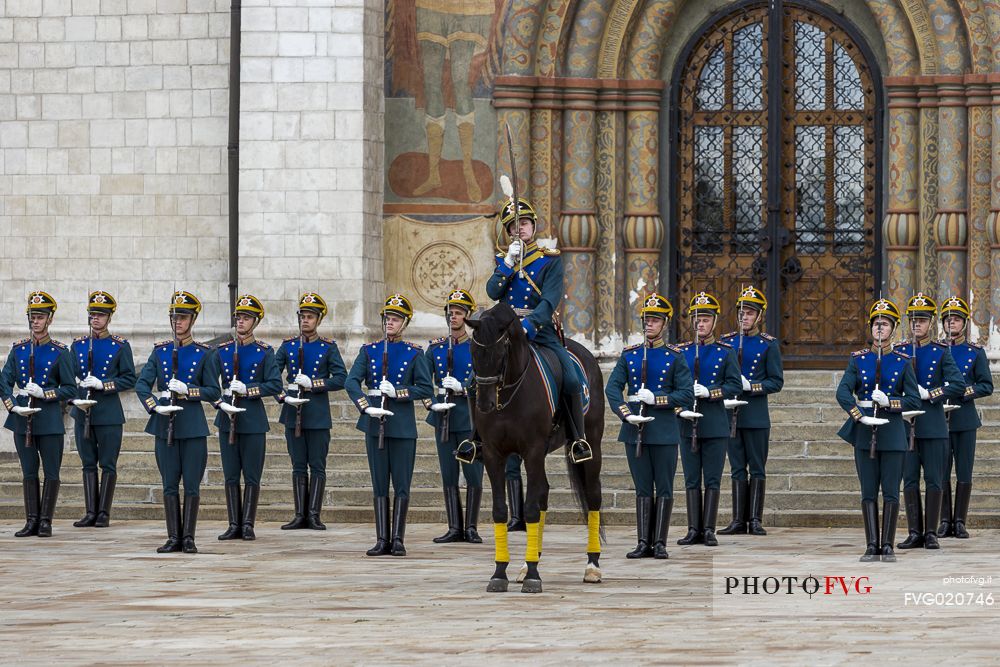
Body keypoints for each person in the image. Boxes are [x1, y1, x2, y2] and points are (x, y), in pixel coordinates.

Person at [484, 195, 591, 463]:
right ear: (508, 231)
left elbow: (549, 301)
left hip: (539, 331)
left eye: (524, 223)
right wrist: (508, 264)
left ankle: (578, 438)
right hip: (506, 332)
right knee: (479, 375)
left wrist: (529, 326)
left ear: (533, 226)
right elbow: (492, 291)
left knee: (571, 378)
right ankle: (476, 437)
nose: (519, 228)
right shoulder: (502, 260)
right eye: (513, 225)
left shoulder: (549, 260)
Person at [605, 293, 693, 559]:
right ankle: (643, 541)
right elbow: (612, 388)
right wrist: (625, 414)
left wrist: (658, 399)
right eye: (646, 320)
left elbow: (686, 393)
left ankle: (660, 542)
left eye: (654, 320)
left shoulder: (675, 357)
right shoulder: (630, 355)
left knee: (663, 486)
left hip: (664, 429)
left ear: (665, 323)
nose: (649, 325)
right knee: (643, 487)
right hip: (635, 429)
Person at [345, 294, 434, 557]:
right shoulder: (369, 350)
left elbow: (425, 387)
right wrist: (365, 406)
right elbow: (352, 382)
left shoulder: (414, 353)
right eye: (387, 319)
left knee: (402, 484)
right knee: (379, 483)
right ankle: (382, 538)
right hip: (375, 423)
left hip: (402, 425)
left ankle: (398, 538)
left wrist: (399, 392)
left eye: (395, 319)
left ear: (405, 323)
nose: (390, 323)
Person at [135, 290, 220, 554]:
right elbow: (141, 385)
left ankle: (189, 537)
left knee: (191, 485)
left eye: (183, 318)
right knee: (169, 484)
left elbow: (213, 392)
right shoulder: (160, 352)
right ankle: (173, 536)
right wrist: (154, 407)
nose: (177, 323)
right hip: (165, 426)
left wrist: (188, 390)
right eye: (174, 317)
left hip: (192, 426)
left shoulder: (205, 353)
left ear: (193, 320)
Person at [836, 297, 920, 561]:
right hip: (864, 431)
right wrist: (858, 415)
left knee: (892, 492)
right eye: (876, 324)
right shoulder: (859, 359)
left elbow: (914, 400)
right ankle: (872, 545)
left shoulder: (903, 360)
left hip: (893, 431)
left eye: (885, 324)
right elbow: (843, 392)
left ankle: (888, 546)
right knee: (868, 490)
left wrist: (891, 402)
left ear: (893, 328)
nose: (879, 328)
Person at [893, 293, 965, 550]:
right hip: (906, 426)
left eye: (922, 320)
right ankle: (914, 532)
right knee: (909, 479)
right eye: (913, 319)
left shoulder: (941, 352)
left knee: (934, 478)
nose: (917, 324)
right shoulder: (899, 351)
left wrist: (932, 393)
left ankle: (932, 532)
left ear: (931, 322)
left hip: (933, 425)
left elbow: (957, 383)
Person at [1, 291, 76, 538]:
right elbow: (4, 381)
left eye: (41, 317)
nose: (36, 321)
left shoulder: (60, 352)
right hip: (23, 418)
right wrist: (13, 405)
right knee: (29, 471)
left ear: (50, 319)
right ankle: (31, 520)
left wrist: (46, 393)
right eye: (33, 316)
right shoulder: (19, 350)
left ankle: (46, 520)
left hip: (49, 419)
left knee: (52, 471)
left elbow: (69, 388)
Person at [274, 292, 347, 530]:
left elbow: (340, 378)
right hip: (292, 410)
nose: (305, 320)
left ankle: (314, 513)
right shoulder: (288, 347)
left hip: (316, 413)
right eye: (303, 316)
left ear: (319, 320)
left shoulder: (328, 348)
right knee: (297, 464)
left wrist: (314, 384)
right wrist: (283, 396)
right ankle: (299, 514)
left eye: (310, 317)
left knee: (317, 464)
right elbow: (272, 376)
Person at [213, 294, 282, 542]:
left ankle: (248, 523)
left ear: (255, 322)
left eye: (246, 318)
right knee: (231, 474)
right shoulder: (221, 351)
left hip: (252, 419)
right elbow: (210, 385)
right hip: (227, 418)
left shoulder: (264, 352)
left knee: (252, 474)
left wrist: (249, 389)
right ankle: (234, 523)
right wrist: (219, 401)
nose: (241, 322)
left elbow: (275, 384)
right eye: (239, 317)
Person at [676, 292, 742, 547]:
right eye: (696, 319)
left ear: (714, 322)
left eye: (705, 319)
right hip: (687, 422)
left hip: (714, 421)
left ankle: (709, 528)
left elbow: (734, 384)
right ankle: (694, 528)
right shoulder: (681, 352)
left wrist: (711, 392)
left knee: (712, 477)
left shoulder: (725, 352)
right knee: (691, 477)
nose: (700, 324)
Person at [719, 286, 783, 536]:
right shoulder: (726, 343)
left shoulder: (768, 345)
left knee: (756, 466)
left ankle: (755, 519)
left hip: (755, 414)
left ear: (759, 317)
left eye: (749, 313)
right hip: (730, 413)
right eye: (742, 312)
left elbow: (776, 381)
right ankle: (737, 519)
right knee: (736, 467)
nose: (744, 317)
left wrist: (752, 386)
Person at [69, 290, 137, 528]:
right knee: (87, 462)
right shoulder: (77, 345)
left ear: (109, 317)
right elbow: (68, 377)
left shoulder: (120, 346)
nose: (95, 319)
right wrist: (75, 385)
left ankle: (103, 513)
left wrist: (104, 384)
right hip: (83, 412)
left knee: (107, 463)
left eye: (101, 315)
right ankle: (90, 511)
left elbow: (130, 378)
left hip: (108, 413)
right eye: (93, 314)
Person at [424, 289, 484, 543]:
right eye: (451, 313)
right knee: (448, 473)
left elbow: (484, 380)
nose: (454, 317)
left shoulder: (476, 348)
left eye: (459, 313)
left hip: (469, 417)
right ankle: (454, 527)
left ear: (467, 317)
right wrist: (431, 404)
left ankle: (470, 527)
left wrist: (465, 388)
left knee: (473, 473)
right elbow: (422, 380)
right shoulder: (436, 348)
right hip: (444, 418)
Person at [937, 296, 994, 538]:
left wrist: (964, 391)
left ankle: (959, 521)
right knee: (940, 471)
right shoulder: (935, 350)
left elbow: (986, 385)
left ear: (964, 323)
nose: (952, 323)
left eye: (957, 319)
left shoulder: (974, 352)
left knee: (964, 470)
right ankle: (943, 520)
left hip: (964, 418)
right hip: (938, 417)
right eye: (948, 319)